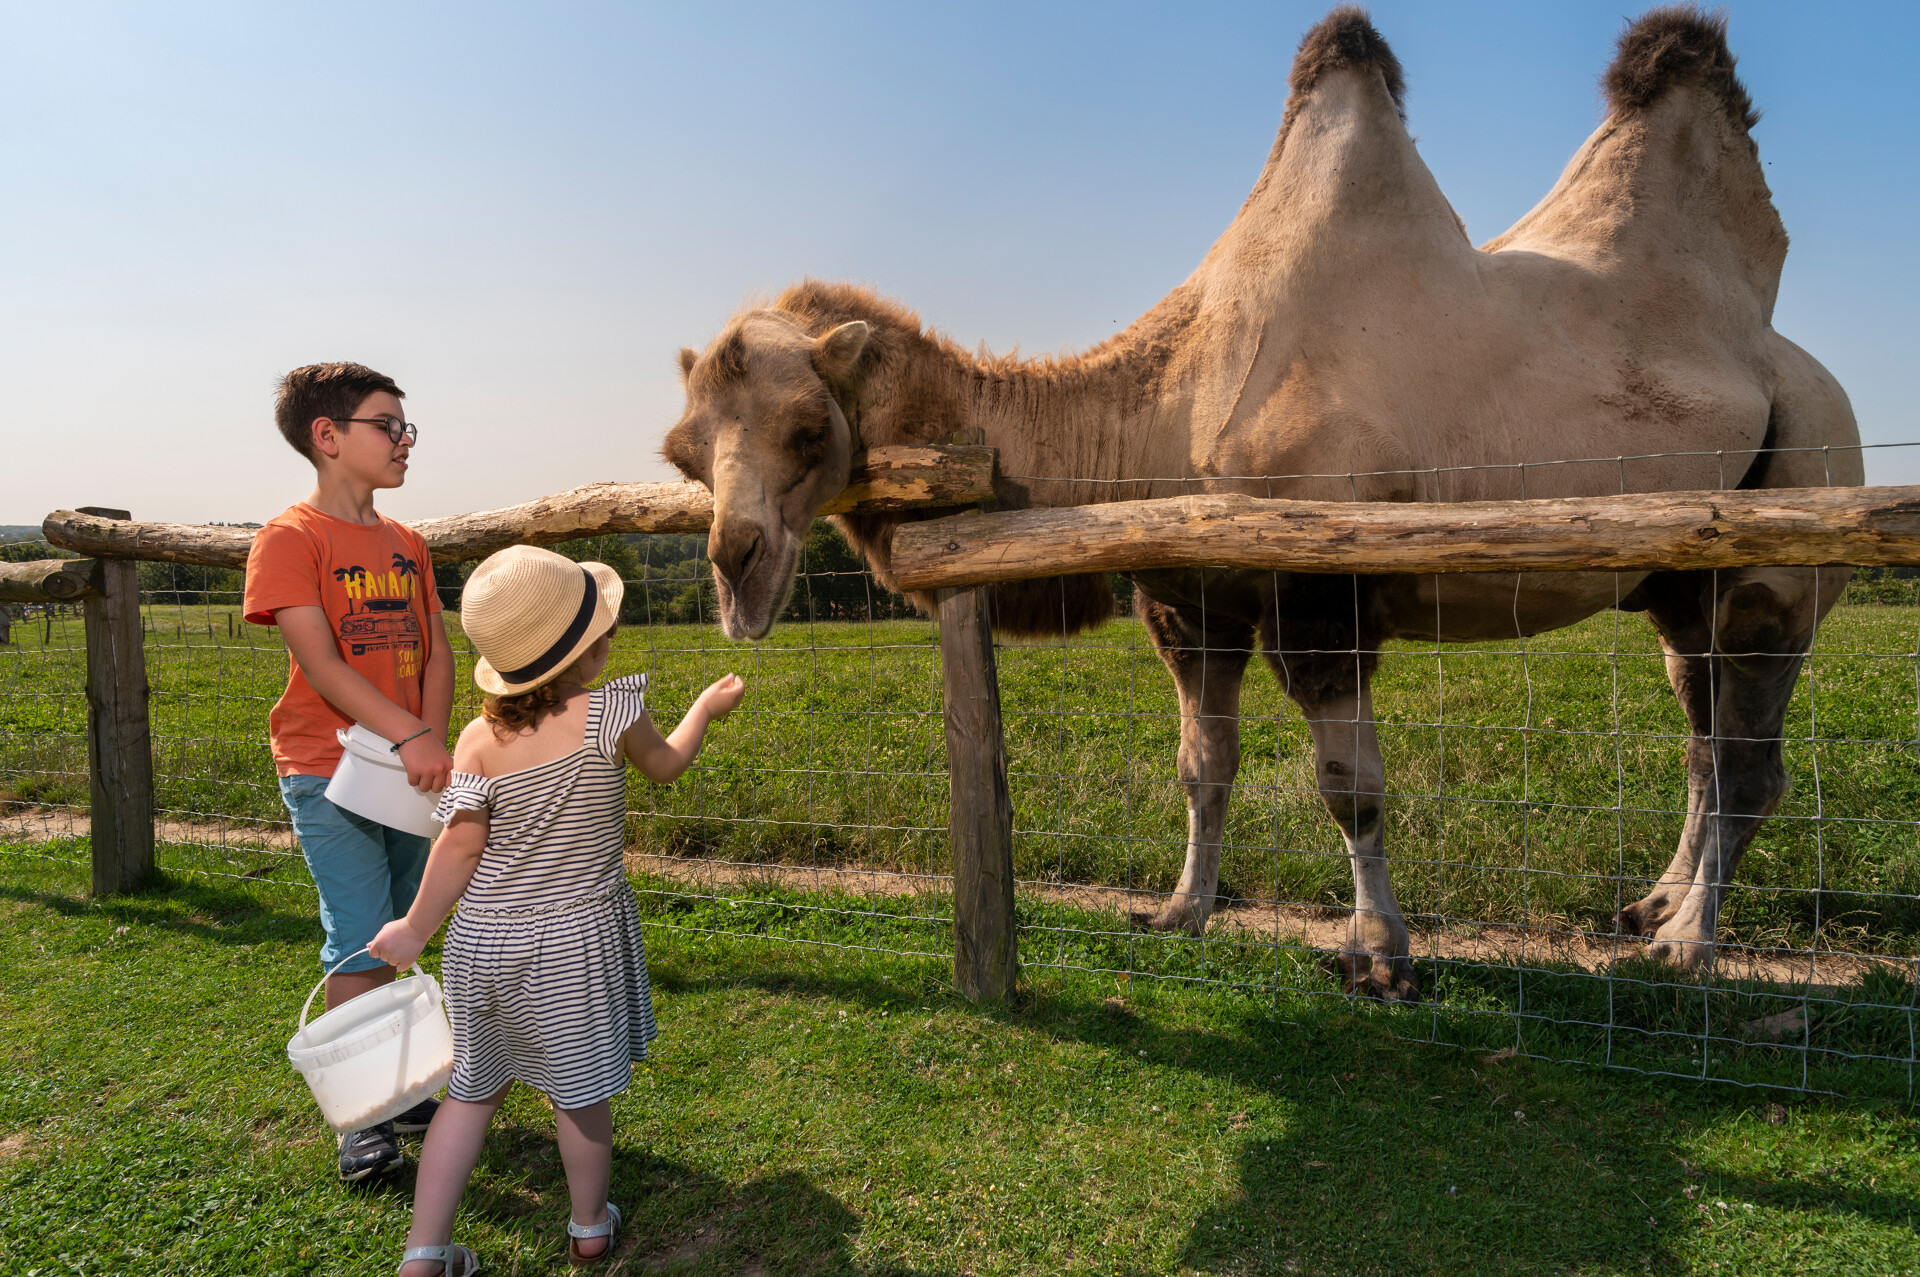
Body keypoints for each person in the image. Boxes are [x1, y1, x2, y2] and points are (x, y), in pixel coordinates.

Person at [369, 544, 745, 1276]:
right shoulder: (610, 713)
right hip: (573, 944)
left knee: (470, 1095)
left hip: (482, 942)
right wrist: (705, 706)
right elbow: (667, 764)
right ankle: (587, 1228)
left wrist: (415, 927)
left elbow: (458, 847)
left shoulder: (477, 739)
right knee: (580, 1097)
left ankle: (422, 1256)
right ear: (590, 650)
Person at [241, 363, 456, 1181]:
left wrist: (428, 737)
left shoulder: (408, 543)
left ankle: (397, 1090)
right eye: (386, 425)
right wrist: (410, 738)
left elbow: (435, 647)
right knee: (360, 935)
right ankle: (360, 1119)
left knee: (399, 928)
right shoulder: (290, 539)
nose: (404, 440)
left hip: (408, 760)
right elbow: (323, 664)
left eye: (407, 426)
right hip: (327, 769)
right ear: (327, 437)